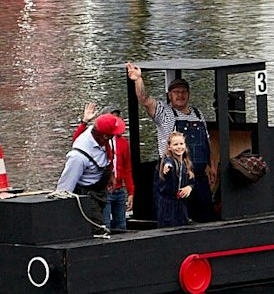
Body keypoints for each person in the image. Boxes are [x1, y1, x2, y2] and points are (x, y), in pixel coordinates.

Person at [130, 63, 218, 222]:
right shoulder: (164, 113)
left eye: (184, 92)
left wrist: (211, 165)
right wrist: (138, 79)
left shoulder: (197, 114)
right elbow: (144, 100)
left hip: (198, 177)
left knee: (206, 217)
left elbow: (207, 141)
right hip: (174, 177)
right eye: (176, 92)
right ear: (169, 95)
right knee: (174, 217)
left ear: (189, 94)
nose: (180, 95)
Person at [54, 112, 125, 233]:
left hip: (101, 191)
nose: (114, 137)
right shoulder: (78, 156)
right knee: (100, 230)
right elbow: (64, 189)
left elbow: (106, 157)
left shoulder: (102, 139)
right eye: (111, 136)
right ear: (104, 136)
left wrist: (111, 175)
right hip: (87, 197)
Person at [69, 104, 134, 232]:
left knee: (121, 224)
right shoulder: (93, 143)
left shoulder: (123, 142)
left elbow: (127, 168)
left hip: (118, 188)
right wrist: (84, 122)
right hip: (103, 189)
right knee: (104, 223)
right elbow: (78, 143)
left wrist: (131, 191)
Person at [155, 131, 195, 228]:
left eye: (181, 144)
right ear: (169, 147)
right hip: (168, 204)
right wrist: (167, 167)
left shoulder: (187, 163)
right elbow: (168, 163)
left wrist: (189, 187)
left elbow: (192, 181)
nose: (179, 147)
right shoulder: (169, 160)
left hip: (181, 203)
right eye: (175, 144)